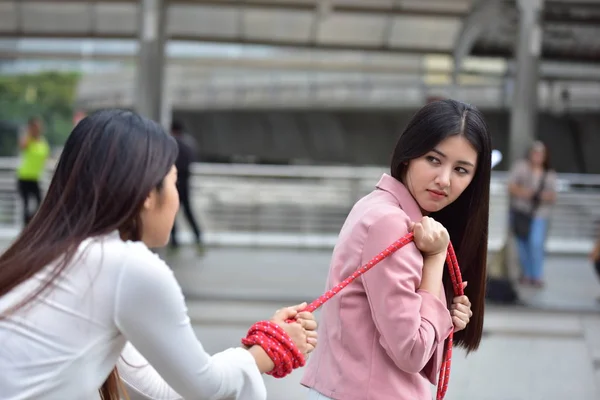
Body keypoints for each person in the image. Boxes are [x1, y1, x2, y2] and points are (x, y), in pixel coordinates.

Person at [0, 109, 318, 400]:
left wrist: (266, 344)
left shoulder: (49, 254)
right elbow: (205, 388)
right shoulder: (127, 268)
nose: (177, 199)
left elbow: (159, 388)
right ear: (148, 195)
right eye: (174, 182)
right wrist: (272, 347)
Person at [301, 99, 491, 400]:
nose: (444, 179)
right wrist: (436, 259)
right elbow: (412, 352)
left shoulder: (377, 207)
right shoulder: (390, 224)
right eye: (433, 159)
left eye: (462, 170)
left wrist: (443, 311)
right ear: (408, 156)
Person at [508, 140, 557, 288]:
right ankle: (528, 274)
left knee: (536, 244)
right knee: (522, 245)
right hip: (521, 212)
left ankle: (537, 275)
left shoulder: (549, 173)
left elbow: (553, 196)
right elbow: (511, 186)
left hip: (539, 214)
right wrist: (526, 193)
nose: (537, 156)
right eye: (535, 152)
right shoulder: (521, 167)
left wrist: (539, 196)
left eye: (540, 153)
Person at [169, 120, 204, 251]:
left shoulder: (171, 143)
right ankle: (198, 238)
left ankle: (174, 241)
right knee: (188, 211)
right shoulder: (189, 143)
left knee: (172, 212)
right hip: (186, 182)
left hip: (174, 183)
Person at [16, 116, 50, 225]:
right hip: (24, 177)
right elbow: (22, 146)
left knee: (39, 203)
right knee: (26, 205)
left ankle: (33, 223)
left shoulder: (43, 142)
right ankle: (25, 228)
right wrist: (29, 133)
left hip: (35, 178)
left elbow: (46, 157)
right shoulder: (28, 140)